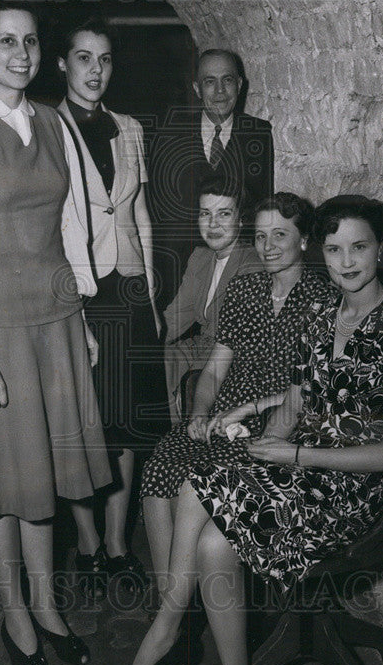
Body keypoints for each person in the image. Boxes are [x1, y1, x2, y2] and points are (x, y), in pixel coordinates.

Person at [111, 194, 383, 665]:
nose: (346, 261)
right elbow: (300, 398)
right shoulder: (322, 314)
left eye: (359, 247)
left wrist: (292, 454)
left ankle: (170, 629)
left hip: (347, 492)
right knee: (203, 502)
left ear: (382, 250)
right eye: (335, 249)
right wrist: (253, 421)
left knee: (208, 504)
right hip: (300, 462)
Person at [0, 1, 111, 665]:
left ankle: (47, 606)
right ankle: (14, 616)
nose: (20, 52)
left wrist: (83, 318)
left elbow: (72, 225)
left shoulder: (54, 121)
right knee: (2, 484)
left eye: (30, 41)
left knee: (47, 478)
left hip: (56, 324)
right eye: (5, 40)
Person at [140, 192, 332, 599]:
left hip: (280, 425)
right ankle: (171, 603)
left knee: (194, 479)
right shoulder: (245, 289)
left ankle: (177, 614)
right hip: (225, 416)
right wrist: (199, 412)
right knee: (160, 467)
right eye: (261, 236)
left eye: (281, 234)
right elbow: (213, 368)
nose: (269, 246)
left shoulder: (324, 301)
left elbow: (309, 393)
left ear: (303, 241)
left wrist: (242, 412)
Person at [56, 16, 170, 598]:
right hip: (75, 290)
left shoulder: (128, 128)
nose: (94, 70)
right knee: (82, 425)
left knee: (125, 427)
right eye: (83, 58)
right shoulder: (45, 127)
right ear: (62, 64)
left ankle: (120, 543)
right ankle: (87, 544)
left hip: (126, 291)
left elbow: (140, 215)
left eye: (103, 59)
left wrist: (148, 295)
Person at [149, 48, 274, 303]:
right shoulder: (169, 133)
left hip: (236, 277)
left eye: (227, 80)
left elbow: (262, 208)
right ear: (197, 88)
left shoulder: (258, 134)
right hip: (176, 278)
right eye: (209, 82)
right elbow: (156, 211)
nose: (219, 92)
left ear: (239, 85)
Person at [163, 175, 262, 424]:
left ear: (241, 220)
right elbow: (174, 319)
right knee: (145, 362)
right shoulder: (200, 258)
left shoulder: (253, 263)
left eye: (224, 214)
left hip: (232, 358)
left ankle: (179, 444)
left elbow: (240, 341)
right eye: (205, 214)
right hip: (197, 349)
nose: (213, 224)